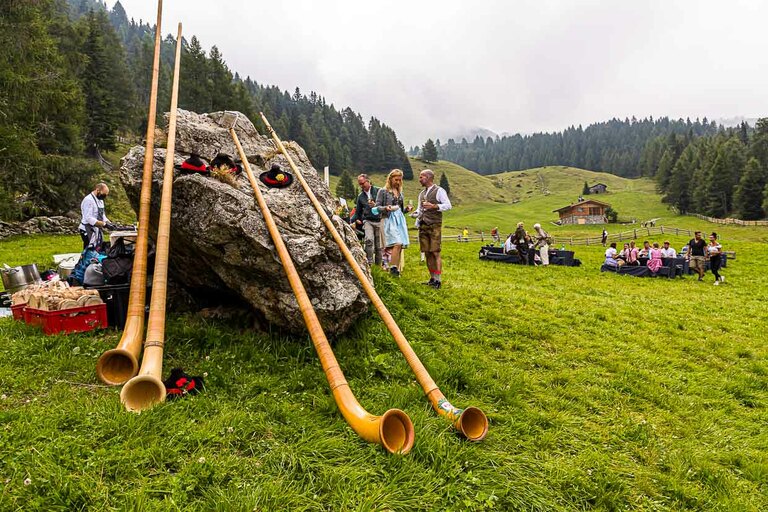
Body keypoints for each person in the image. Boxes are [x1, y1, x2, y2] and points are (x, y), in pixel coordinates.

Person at [414, 169, 452, 289]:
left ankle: (438, 281)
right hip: (423, 225)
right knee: (427, 252)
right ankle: (432, 278)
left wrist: (434, 206)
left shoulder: (439, 191)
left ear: (428, 178)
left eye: (421, 177)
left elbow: (448, 205)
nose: (419, 179)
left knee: (435, 252)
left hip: (434, 225)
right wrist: (415, 214)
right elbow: (419, 209)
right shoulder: (421, 194)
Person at [376, 169, 411, 277]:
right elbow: (377, 207)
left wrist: (406, 209)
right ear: (390, 179)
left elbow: (400, 209)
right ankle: (392, 267)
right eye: (396, 180)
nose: (398, 182)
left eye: (400, 180)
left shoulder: (400, 193)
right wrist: (386, 208)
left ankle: (395, 269)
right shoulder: (383, 191)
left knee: (400, 245)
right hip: (387, 219)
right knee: (397, 243)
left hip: (399, 221)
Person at [350, 174, 383, 267]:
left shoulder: (379, 191)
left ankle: (378, 266)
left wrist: (376, 205)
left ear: (368, 181)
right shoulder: (360, 196)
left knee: (378, 246)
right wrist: (350, 221)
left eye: (363, 183)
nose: (361, 186)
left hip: (380, 220)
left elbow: (385, 205)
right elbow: (357, 212)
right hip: (368, 221)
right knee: (369, 240)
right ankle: (369, 264)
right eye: (360, 184)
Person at [78, 183, 114, 250]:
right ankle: (85, 260)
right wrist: (104, 224)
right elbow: (89, 218)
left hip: (97, 229)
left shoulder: (100, 200)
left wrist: (110, 223)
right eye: (104, 194)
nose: (104, 196)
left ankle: (95, 260)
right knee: (89, 250)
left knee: (97, 249)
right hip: (87, 229)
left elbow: (102, 215)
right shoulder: (88, 200)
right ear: (98, 190)